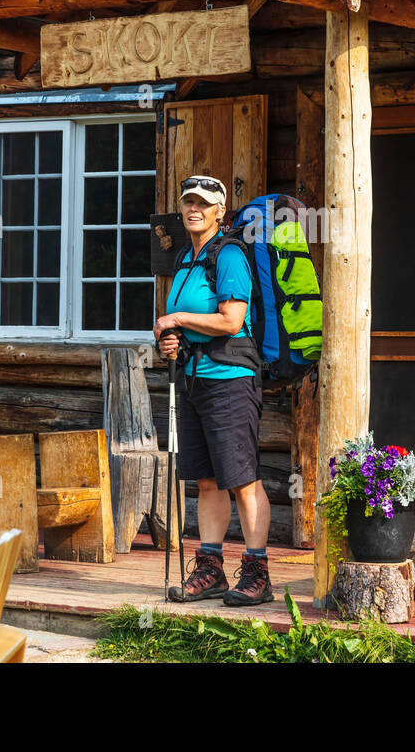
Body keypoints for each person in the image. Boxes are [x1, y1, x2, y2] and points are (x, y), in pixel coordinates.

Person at [154, 175, 271, 606]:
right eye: (188, 202)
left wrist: (179, 321)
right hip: (194, 379)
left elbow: (231, 321)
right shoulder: (186, 257)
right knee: (206, 481)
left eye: (203, 203)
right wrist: (171, 340)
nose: (193, 209)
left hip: (230, 382)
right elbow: (182, 324)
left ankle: (257, 573)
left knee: (241, 479)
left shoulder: (230, 255)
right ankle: (211, 570)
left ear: (221, 211)